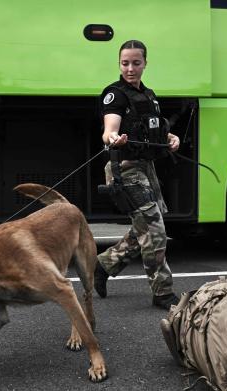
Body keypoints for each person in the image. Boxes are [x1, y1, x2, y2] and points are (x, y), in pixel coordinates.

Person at [94, 39, 180, 309]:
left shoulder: (149, 96)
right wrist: (112, 138)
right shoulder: (115, 94)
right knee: (155, 231)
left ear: (145, 63)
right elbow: (110, 128)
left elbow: (152, 130)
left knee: (144, 228)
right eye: (124, 63)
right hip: (126, 169)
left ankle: (103, 265)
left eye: (136, 63)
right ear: (119, 64)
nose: (130, 68)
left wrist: (171, 137)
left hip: (147, 168)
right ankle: (163, 293)